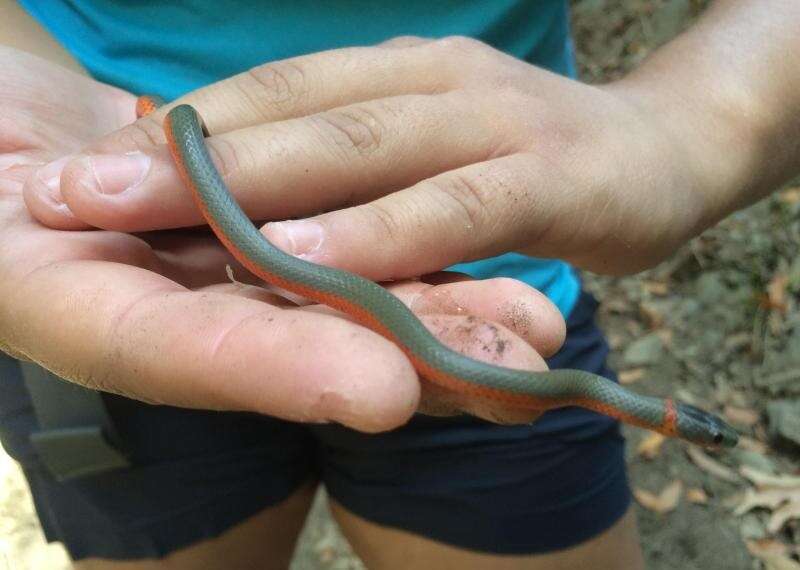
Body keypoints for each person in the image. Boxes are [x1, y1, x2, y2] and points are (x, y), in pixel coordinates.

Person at [0, 0, 797, 568]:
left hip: (477, 302)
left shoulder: (525, 368)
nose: (706, 433)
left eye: (704, 431)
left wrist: (698, 124)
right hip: (99, 252)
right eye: (706, 431)